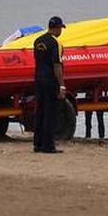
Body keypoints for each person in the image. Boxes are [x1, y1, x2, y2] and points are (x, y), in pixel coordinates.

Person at [33, 16, 66, 154]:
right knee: (50, 113)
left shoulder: (38, 41)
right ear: (57, 28)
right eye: (60, 28)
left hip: (38, 79)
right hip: (50, 81)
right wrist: (62, 85)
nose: (61, 31)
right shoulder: (56, 43)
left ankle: (38, 144)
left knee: (40, 111)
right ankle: (48, 145)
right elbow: (57, 65)